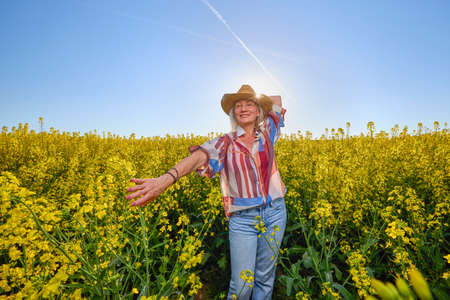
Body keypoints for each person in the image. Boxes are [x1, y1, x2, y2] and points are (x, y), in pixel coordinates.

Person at [126, 84, 287, 300]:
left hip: (275, 212)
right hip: (243, 219)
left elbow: (277, 100)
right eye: (238, 106)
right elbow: (198, 158)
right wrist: (165, 180)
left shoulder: (268, 131)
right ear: (233, 114)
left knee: (265, 280)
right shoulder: (225, 142)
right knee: (241, 286)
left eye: (250, 104)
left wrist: (259, 99)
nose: (243, 108)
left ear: (259, 111)